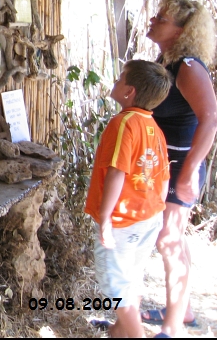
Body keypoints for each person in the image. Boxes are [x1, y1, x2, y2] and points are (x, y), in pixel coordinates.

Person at [140, 0, 217, 337]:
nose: (153, 20)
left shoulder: (188, 67)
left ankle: (172, 328)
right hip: (167, 164)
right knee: (172, 238)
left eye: (162, 19)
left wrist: (189, 172)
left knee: (169, 239)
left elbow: (211, 119)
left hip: (180, 164)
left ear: (181, 31)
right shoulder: (169, 62)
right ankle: (181, 310)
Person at [84, 60, 172, 339]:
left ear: (129, 92)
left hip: (124, 221)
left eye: (121, 78)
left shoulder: (123, 123)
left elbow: (117, 172)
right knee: (131, 279)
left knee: (116, 288)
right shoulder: (152, 127)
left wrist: (107, 217)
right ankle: (119, 333)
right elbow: (163, 175)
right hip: (148, 217)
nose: (116, 80)